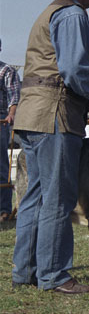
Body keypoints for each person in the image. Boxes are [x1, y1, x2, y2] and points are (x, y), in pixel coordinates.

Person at [12, 0, 89, 294]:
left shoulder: (53, 12)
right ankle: (54, 275)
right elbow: (73, 71)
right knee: (58, 199)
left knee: (35, 198)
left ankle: (26, 271)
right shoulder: (72, 15)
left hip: (31, 115)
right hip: (55, 116)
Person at [0, 39, 21, 223]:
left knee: (1, 168)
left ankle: (4, 210)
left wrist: (11, 114)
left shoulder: (7, 71)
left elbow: (14, 97)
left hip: (0, 124)